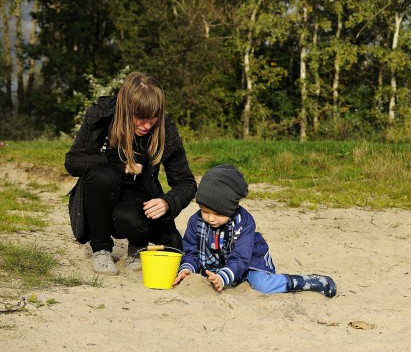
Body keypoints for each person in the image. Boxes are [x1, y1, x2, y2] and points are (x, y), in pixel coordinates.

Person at [65, 71, 197, 276]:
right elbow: (72, 162)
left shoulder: (165, 130)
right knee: (103, 176)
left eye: (152, 118)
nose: (147, 125)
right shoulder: (100, 117)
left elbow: (187, 183)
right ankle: (100, 248)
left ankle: (138, 245)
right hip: (100, 193)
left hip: (137, 197)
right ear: (125, 110)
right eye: (140, 118)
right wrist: (115, 163)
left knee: (133, 220)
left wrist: (168, 202)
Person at [172, 164, 337, 297]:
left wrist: (223, 277)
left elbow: (241, 257)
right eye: (205, 211)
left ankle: (304, 282)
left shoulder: (244, 223)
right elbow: (191, 252)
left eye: (218, 213)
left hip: (247, 260)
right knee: (197, 276)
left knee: (262, 285)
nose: (210, 218)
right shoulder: (196, 221)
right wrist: (187, 269)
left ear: (231, 208)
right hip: (213, 263)